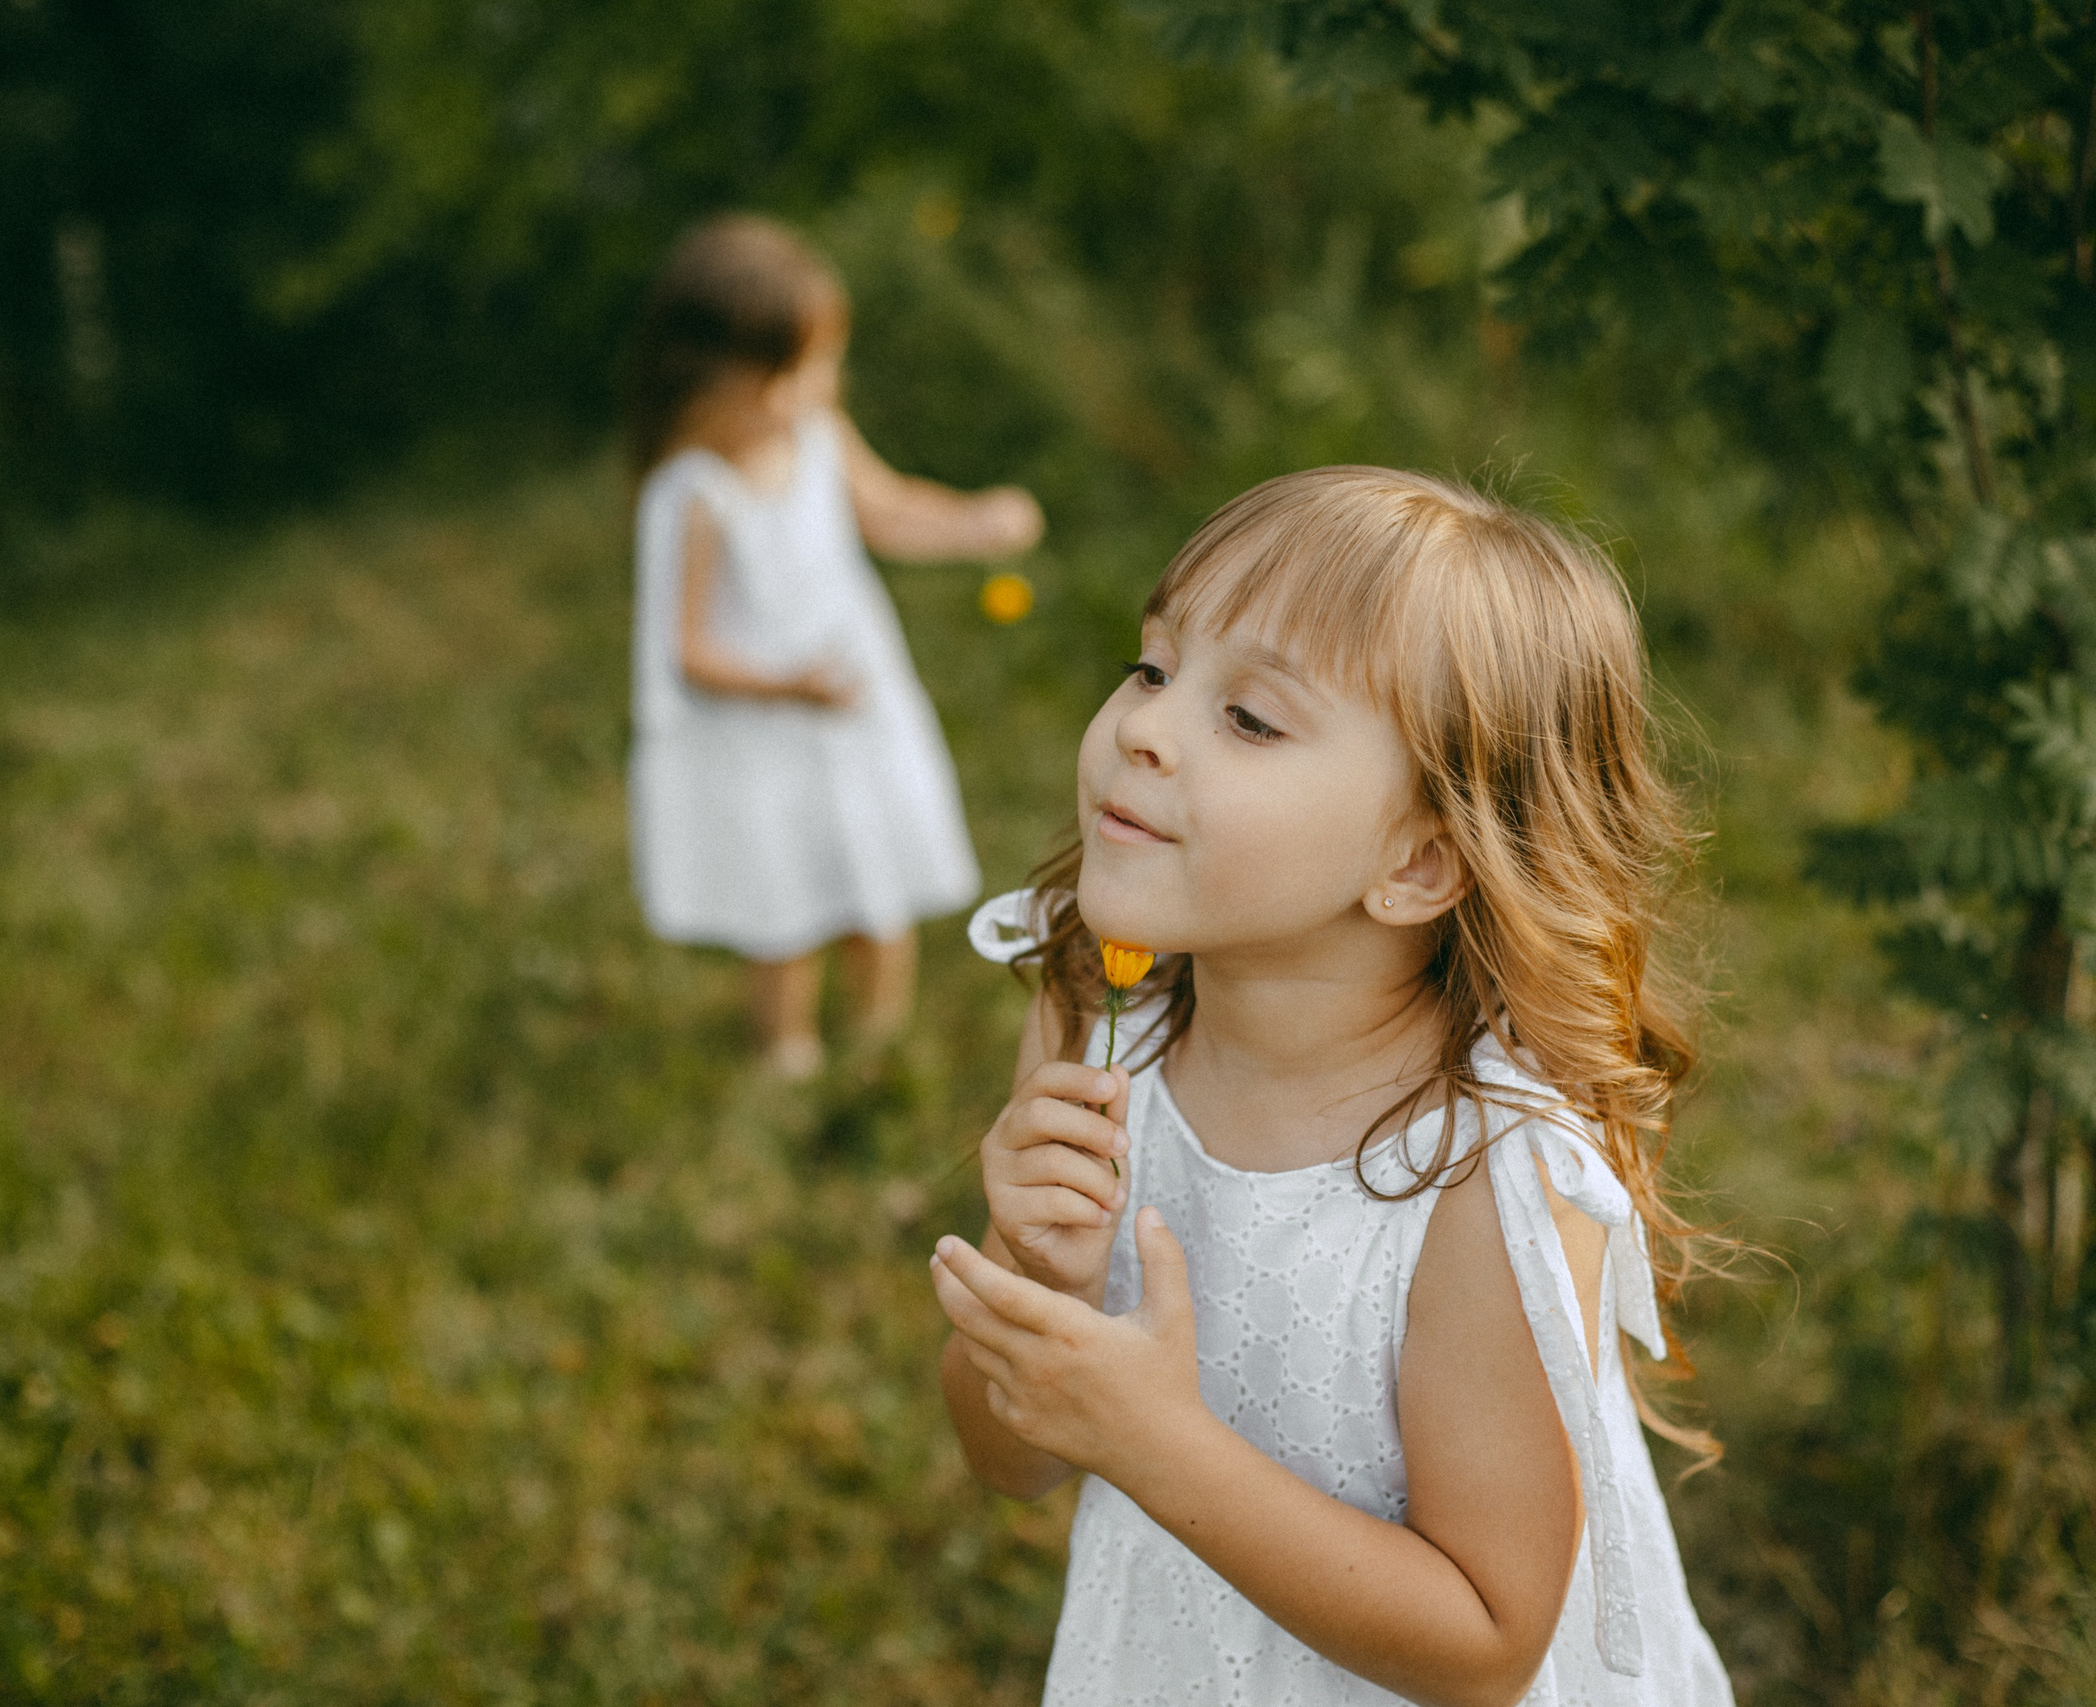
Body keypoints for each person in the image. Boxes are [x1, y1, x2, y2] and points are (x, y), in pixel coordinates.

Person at [930, 467, 1733, 1705]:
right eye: (1152, 668)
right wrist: (1046, 1275)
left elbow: (1487, 1645)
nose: (1145, 727)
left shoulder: (1484, 1171)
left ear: (1416, 865)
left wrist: (1154, 1443)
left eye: (1249, 719)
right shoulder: (1098, 1022)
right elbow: (1010, 1460)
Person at [625, 215, 1043, 1077]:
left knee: (876, 867)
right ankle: (786, 1051)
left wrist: (971, 522)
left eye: (821, 364)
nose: (813, 388)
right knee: (786, 900)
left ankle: (881, 1040)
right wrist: (788, 688)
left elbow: (886, 510)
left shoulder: (817, 434)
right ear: (703, 377)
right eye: (787, 373)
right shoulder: (695, 494)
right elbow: (687, 649)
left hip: (855, 706)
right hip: (768, 730)